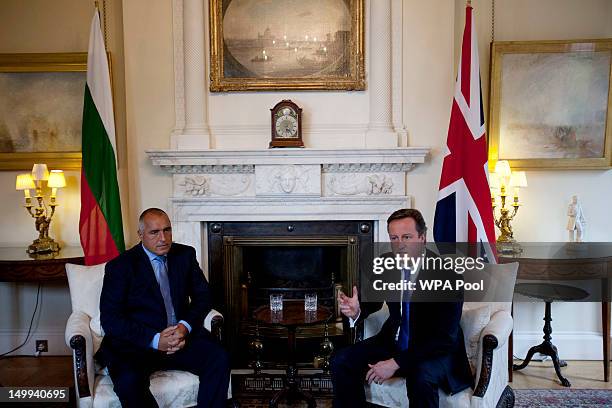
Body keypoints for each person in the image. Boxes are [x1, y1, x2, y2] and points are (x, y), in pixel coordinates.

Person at [331, 208, 473, 408]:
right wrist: (357, 310)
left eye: (407, 237)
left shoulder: (448, 277)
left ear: (422, 237)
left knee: (420, 377)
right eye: (394, 238)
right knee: (341, 360)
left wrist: (395, 363)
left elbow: (443, 339)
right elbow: (372, 301)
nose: (400, 245)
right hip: (394, 341)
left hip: (434, 350)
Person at [96, 208, 230, 408]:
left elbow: (204, 297)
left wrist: (184, 327)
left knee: (219, 358)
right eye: (154, 232)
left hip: (181, 338)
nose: (163, 238)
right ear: (140, 234)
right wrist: (155, 340)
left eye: (167, 230)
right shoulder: (121, 266)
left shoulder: (184, 255)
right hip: (138, 343)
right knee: (128, 381)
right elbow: (111, 319)